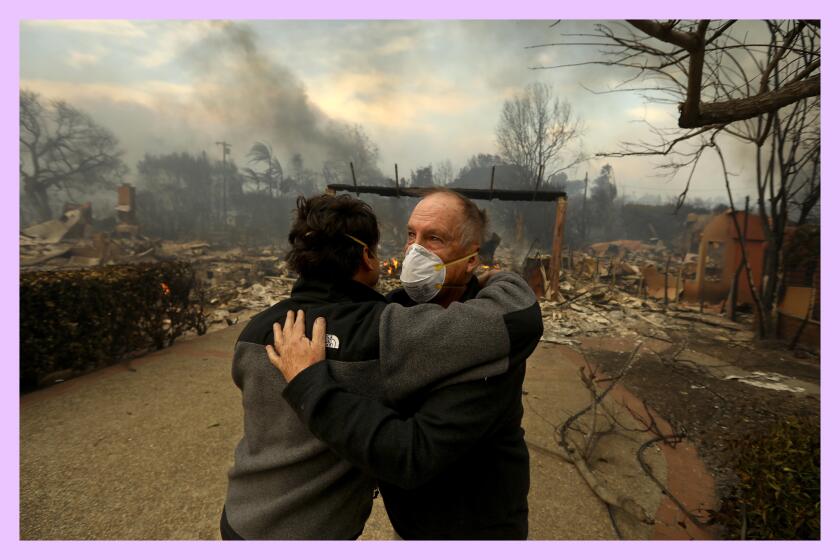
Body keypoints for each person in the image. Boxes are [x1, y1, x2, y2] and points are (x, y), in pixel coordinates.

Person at [221, 192, 542, 540]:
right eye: (410, 235)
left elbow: (411, 455)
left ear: (469, 260)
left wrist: (310, 381)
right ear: (366, 255)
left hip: (476, 529)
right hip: (390, 526)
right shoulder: (389, 325)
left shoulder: (254, 332)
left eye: (434, 238)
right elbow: (516, 313)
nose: (414, 251)